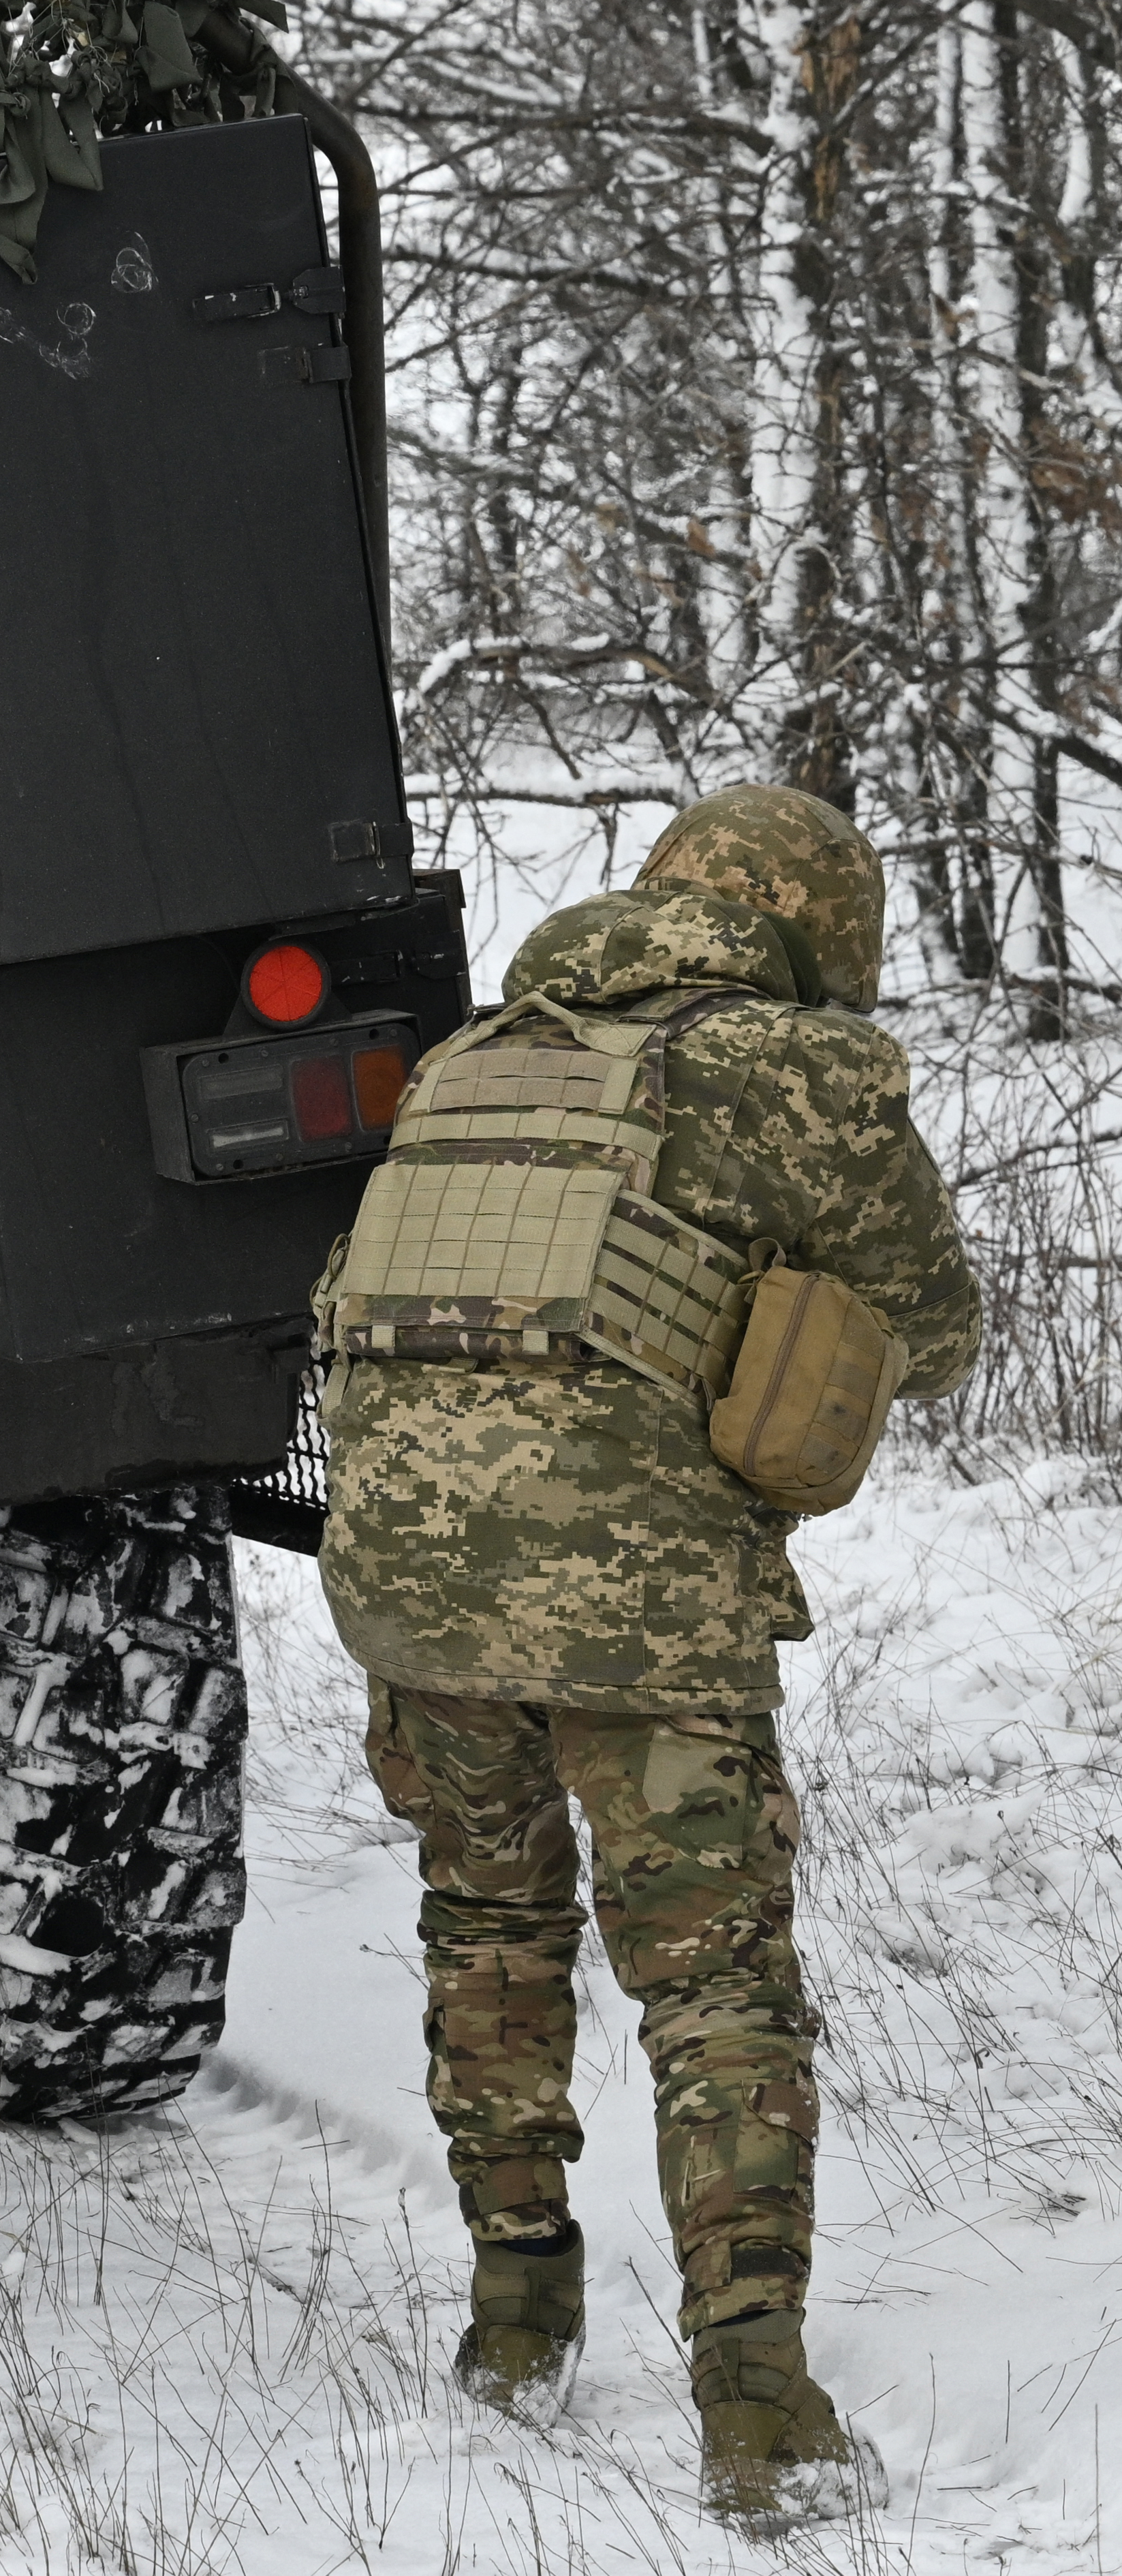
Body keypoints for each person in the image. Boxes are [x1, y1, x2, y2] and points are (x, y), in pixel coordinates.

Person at [315, 784, 980, 2524]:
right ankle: (756, 2401)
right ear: (814, 932)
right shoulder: (795, 1065)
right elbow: (934, 1315)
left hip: (411, 1578)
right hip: (634, 1603)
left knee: (489, 1921)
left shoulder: (471, 1057)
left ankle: (514, 2313)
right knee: (713, 1979)